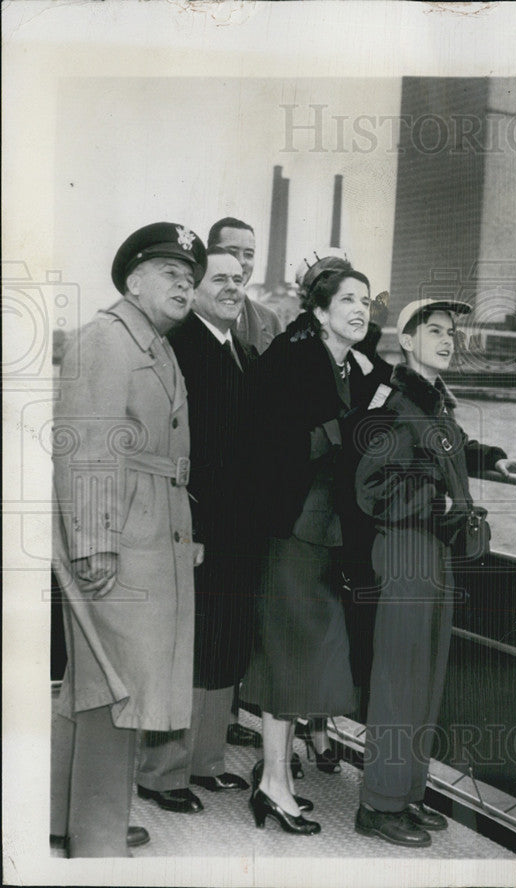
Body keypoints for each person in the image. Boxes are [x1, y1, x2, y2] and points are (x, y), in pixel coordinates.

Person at [51, 222, 206, 856]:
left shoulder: (154, 345)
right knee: (113, 691)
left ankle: (65, 817)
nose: (184, 285)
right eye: (170, 273)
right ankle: (97, 838)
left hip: (150, 533)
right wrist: (93, 545)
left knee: (99, 684)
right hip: (119, 537)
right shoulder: (105, 343)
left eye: (190, 278)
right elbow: (85, 448)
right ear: (133, 279)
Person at [354, 299, 516, 847]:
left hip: (434, 551)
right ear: (406, 341)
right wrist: (440, 506)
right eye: (435, 331)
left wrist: (491, 458)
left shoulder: (434, 405)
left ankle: (408, 793)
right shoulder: (392, 403)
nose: (449, 339)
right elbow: (373, 487)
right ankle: (378, 804)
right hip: (406, 550)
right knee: (399, 677)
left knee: (426, 678)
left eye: (452, 332)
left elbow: (448, 452)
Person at [240, 256, 391, 835]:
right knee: (286, 656)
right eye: (348, 299)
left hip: (333, 536)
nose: (360, 309)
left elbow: (406, 418)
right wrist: (342, 429)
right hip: (294, 530)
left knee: (300, 658)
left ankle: (274, 778)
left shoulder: (364, 366)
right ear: (321, 311)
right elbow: (265, 445)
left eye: (366, 299)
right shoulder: (291, 358)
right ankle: (274, 783)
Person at [134, 249, 257, 813]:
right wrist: (194, 524)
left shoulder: (240, 351)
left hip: (237, 528)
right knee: (185, 647)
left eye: (239, 278)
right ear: (196, 289)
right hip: (196, 523)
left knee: (222, 641)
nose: (232, 287)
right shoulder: (180, 347)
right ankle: (162, 773)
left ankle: (206, 762)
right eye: (220, 279)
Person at [207, 215, 279, 749]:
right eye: (233, 254)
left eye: (250, 255)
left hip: (246, 499)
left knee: (234, 616)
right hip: (211, 499)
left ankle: (220, 725)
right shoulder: (196, 318)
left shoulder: (265, 321)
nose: (245, 265)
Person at [208, 216, 282, 356]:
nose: (241, 261)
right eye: (231, 252)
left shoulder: (269, 320)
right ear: (210, 254)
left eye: (248, 254)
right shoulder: (187, 312)